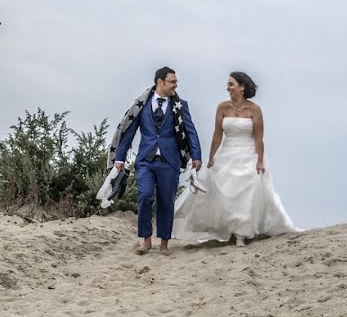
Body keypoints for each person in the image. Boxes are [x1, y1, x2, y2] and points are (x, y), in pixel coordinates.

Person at [173, 72, 297, 245]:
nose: (228, 88)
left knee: (246, 192)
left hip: (249, 153)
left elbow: (259, 137)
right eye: (228, 84)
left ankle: (241, 234)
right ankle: (231, 231)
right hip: (227, 152)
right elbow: (217, 134)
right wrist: (211, 157)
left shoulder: (254, 109)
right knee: (225, 192)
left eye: (231, 84)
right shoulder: (222, 107)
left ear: (242, 87)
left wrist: (260, 160)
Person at [112, 67, 202, 255]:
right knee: (145, 196)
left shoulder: (180, 105)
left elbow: (191, 131)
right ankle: (145, 240)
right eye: (172, 82)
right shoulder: (142, 104)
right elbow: (129, 132)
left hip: (170, 161)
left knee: (166, 201)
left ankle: (164, 243)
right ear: (160, 82)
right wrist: (119, 158)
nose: (176, 85)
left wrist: (196, 156)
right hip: (146, 159)